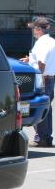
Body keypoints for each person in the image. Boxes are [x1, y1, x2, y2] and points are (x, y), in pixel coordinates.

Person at [20, 17, 55, 147]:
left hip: (42, 79)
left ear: (39, 29)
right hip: (50, 78)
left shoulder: (41, 43)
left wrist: (38, 77)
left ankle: (41, 138)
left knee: (38, 108)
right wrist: (30, 60)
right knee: (46, 108)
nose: (33, 31)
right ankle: (46, 137)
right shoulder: (51, 41)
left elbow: (41, 63)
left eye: (34, 28)